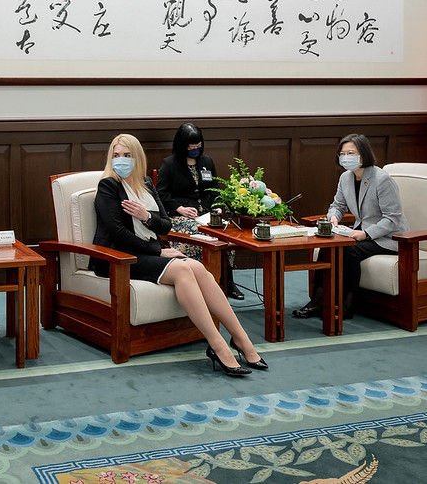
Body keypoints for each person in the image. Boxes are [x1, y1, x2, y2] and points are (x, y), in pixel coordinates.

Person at [91, 134, 268, 376]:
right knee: (184, 268)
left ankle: (241, 339)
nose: (121, 160)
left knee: (197, 268)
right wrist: (158, 250)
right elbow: (117, 232)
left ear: (137, 157)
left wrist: (146, 217)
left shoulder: (145, 184)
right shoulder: (108, 186)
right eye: (116, 155)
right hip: (118, 257)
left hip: (146, 253)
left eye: (127, 155)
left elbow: (165, 225)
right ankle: (218, 345)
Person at [292, 133, 408, 320]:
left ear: (364, 154)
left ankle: (346, 306)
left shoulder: (382, 179)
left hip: (389, 238)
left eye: (351, 153)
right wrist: (333, 218)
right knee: (328, 246)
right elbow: (337, 205)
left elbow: (392, 218)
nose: (346, 157)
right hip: (361, 233)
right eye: (343, 154)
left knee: (348, 250)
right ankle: (318, 301)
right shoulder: (345, 178)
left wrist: (365, 233)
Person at [156, 122, 244, 300]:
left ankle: (227, 280)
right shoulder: (170, 164)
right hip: (180, 217)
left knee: (226, 233)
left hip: (207, 215)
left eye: (198, 145)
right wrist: (179, 208)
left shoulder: (206, 162)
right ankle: (201, 280)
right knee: (200, 234)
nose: (195, 149)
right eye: (191, 147)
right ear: (182, 145)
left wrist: (217, 206)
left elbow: (215, 189)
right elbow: (161, 194)